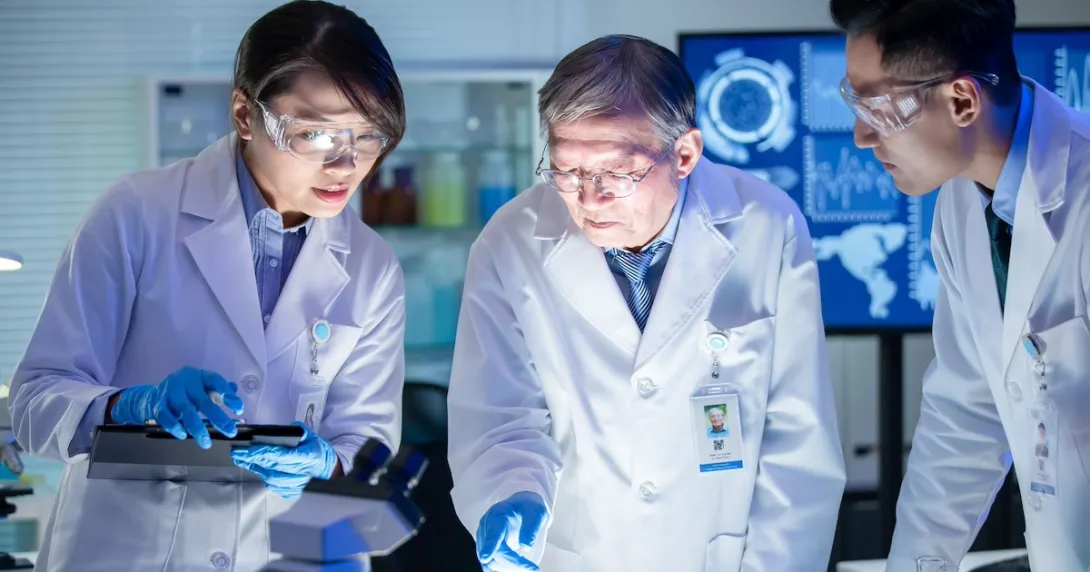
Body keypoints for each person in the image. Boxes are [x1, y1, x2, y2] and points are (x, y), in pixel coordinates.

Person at [7, 2, 407, 570]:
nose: (346, 164)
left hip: (289, 554)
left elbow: (366, 449)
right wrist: (130, 407)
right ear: (245, 114)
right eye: (315, 133)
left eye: (368, 135)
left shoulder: (372, 266)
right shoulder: (137, 213)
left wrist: (324, 466)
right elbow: (35, 403)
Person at [446, 34, 846, 572]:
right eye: (566, 171)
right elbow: (499, 417)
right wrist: (511, 493)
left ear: (684, 154)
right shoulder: (510, 241)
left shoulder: (767, 226)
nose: (589, 198)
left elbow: (798, 441)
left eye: (617, 173)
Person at [831, 0, 1090, 569]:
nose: (859, 136)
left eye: (875, 107)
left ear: (963, 100)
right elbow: (966, 412)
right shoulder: (962, 201)